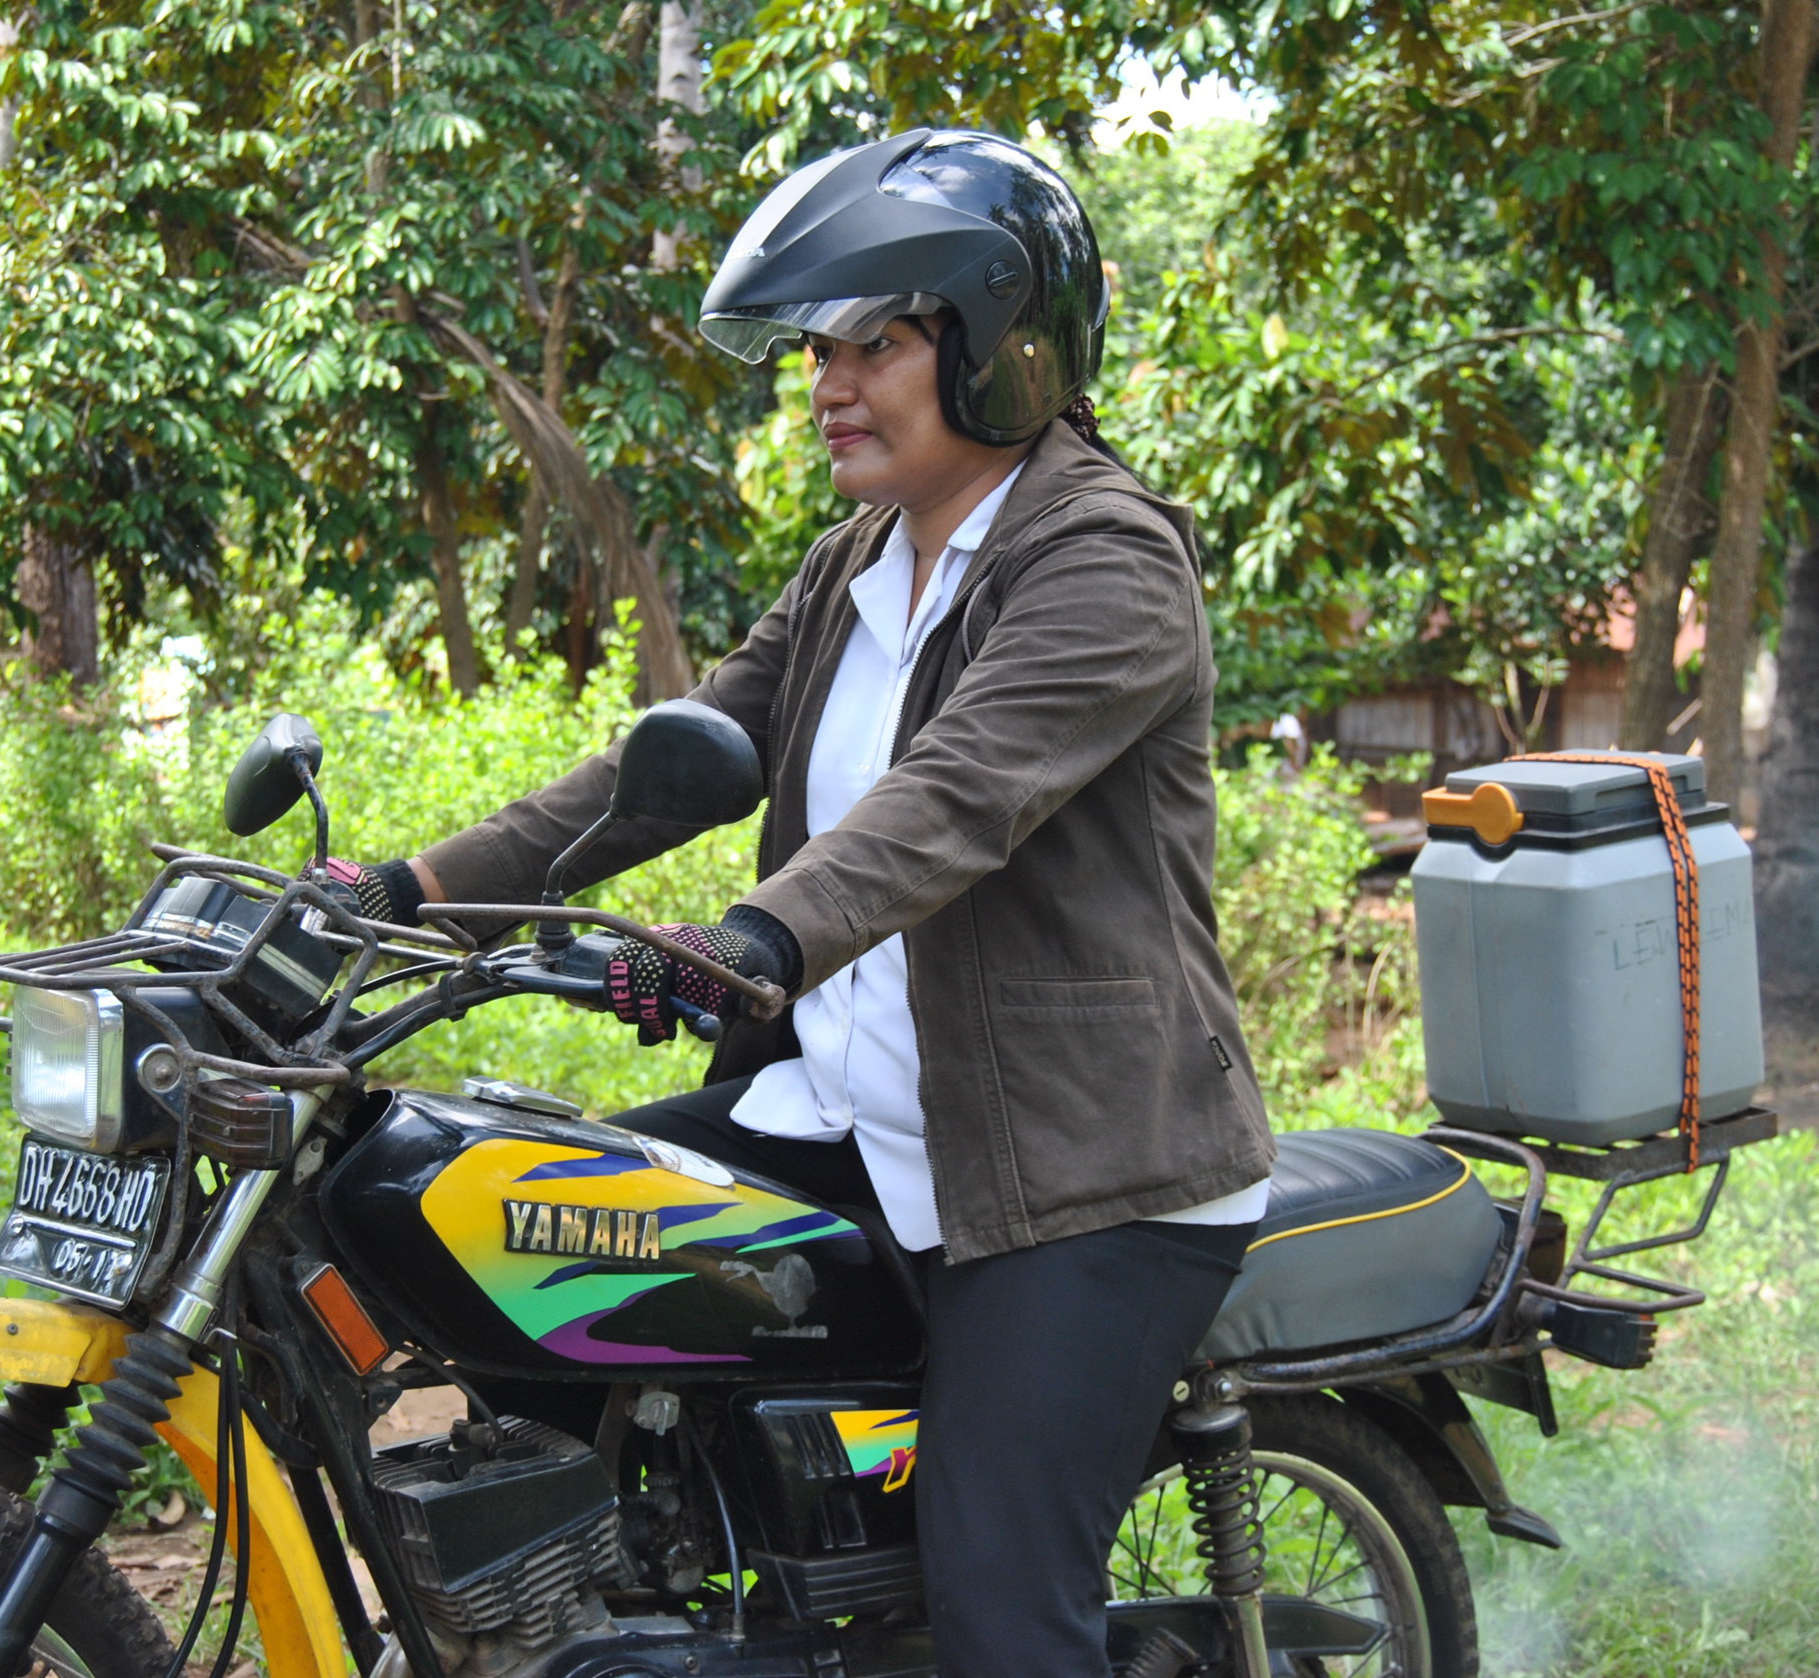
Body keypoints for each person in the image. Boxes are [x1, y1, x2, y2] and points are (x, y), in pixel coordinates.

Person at [330, 128, 1274, 1678]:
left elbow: (949, 804)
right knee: (522, 1267)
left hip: (1078, 1172)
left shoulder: (1106, 560)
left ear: (996, 348)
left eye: (876, 343)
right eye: (818, 349)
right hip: (846, 1114)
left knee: (998, 1601)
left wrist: (751, 941)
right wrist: (406, 892)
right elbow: (662, 771)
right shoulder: (859, 562)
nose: (830, 383)